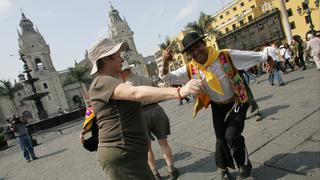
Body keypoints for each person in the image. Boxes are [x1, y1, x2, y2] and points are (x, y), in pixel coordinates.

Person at [160, 32, 274, 179]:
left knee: (231, 136)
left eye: (198, 46)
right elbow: (168, 77)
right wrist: (164, 63)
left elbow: (252, 56)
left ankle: (244, 164)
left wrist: (267, 57)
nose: (196, 52)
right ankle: (224, 169)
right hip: (218, 106)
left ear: (204, 44)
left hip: (237, 100)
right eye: (191, 51)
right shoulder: (191, 69)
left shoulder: (224, 56)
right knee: (220, 140)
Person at [87, 37, 201, 180]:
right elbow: (135, 93)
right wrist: (179, 91)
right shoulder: (103, 81)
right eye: (118, 55)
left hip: (129, 153)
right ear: (106, 60)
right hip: (122, 153)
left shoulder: (111, 81)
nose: (122, 60)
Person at [119, 61, 179, 180]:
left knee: (147, 148)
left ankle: (155, 174)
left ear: (122, 72)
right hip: (156, 110)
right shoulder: (146, 79)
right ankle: (171, 170)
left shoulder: (125, 86)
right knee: (163, 142)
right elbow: (157, 92)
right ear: (129, 69)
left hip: (139, 116)